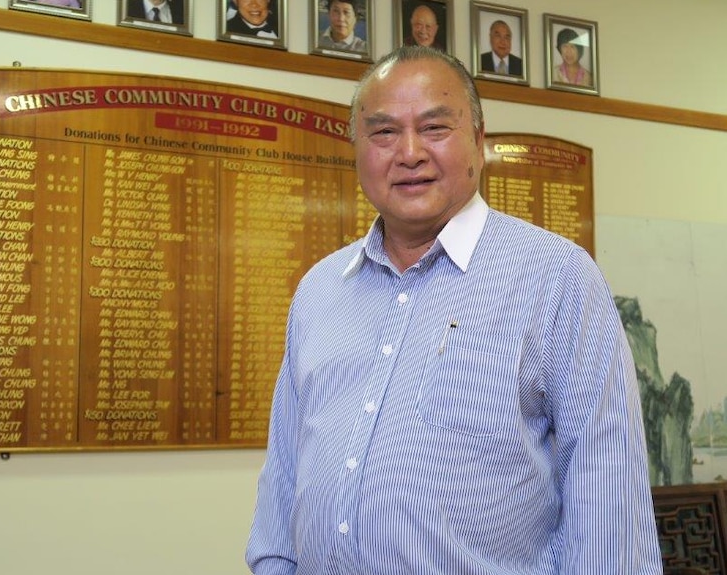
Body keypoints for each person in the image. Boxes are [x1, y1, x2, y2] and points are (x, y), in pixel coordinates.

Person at [246, 45, 663, 574]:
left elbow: (608, 497)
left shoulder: (557, 279)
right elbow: (284, 472)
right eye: (383, 133)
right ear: (357, 148)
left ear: (478, 139)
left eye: (435, 128)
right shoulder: (319, 289)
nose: (410, 152)